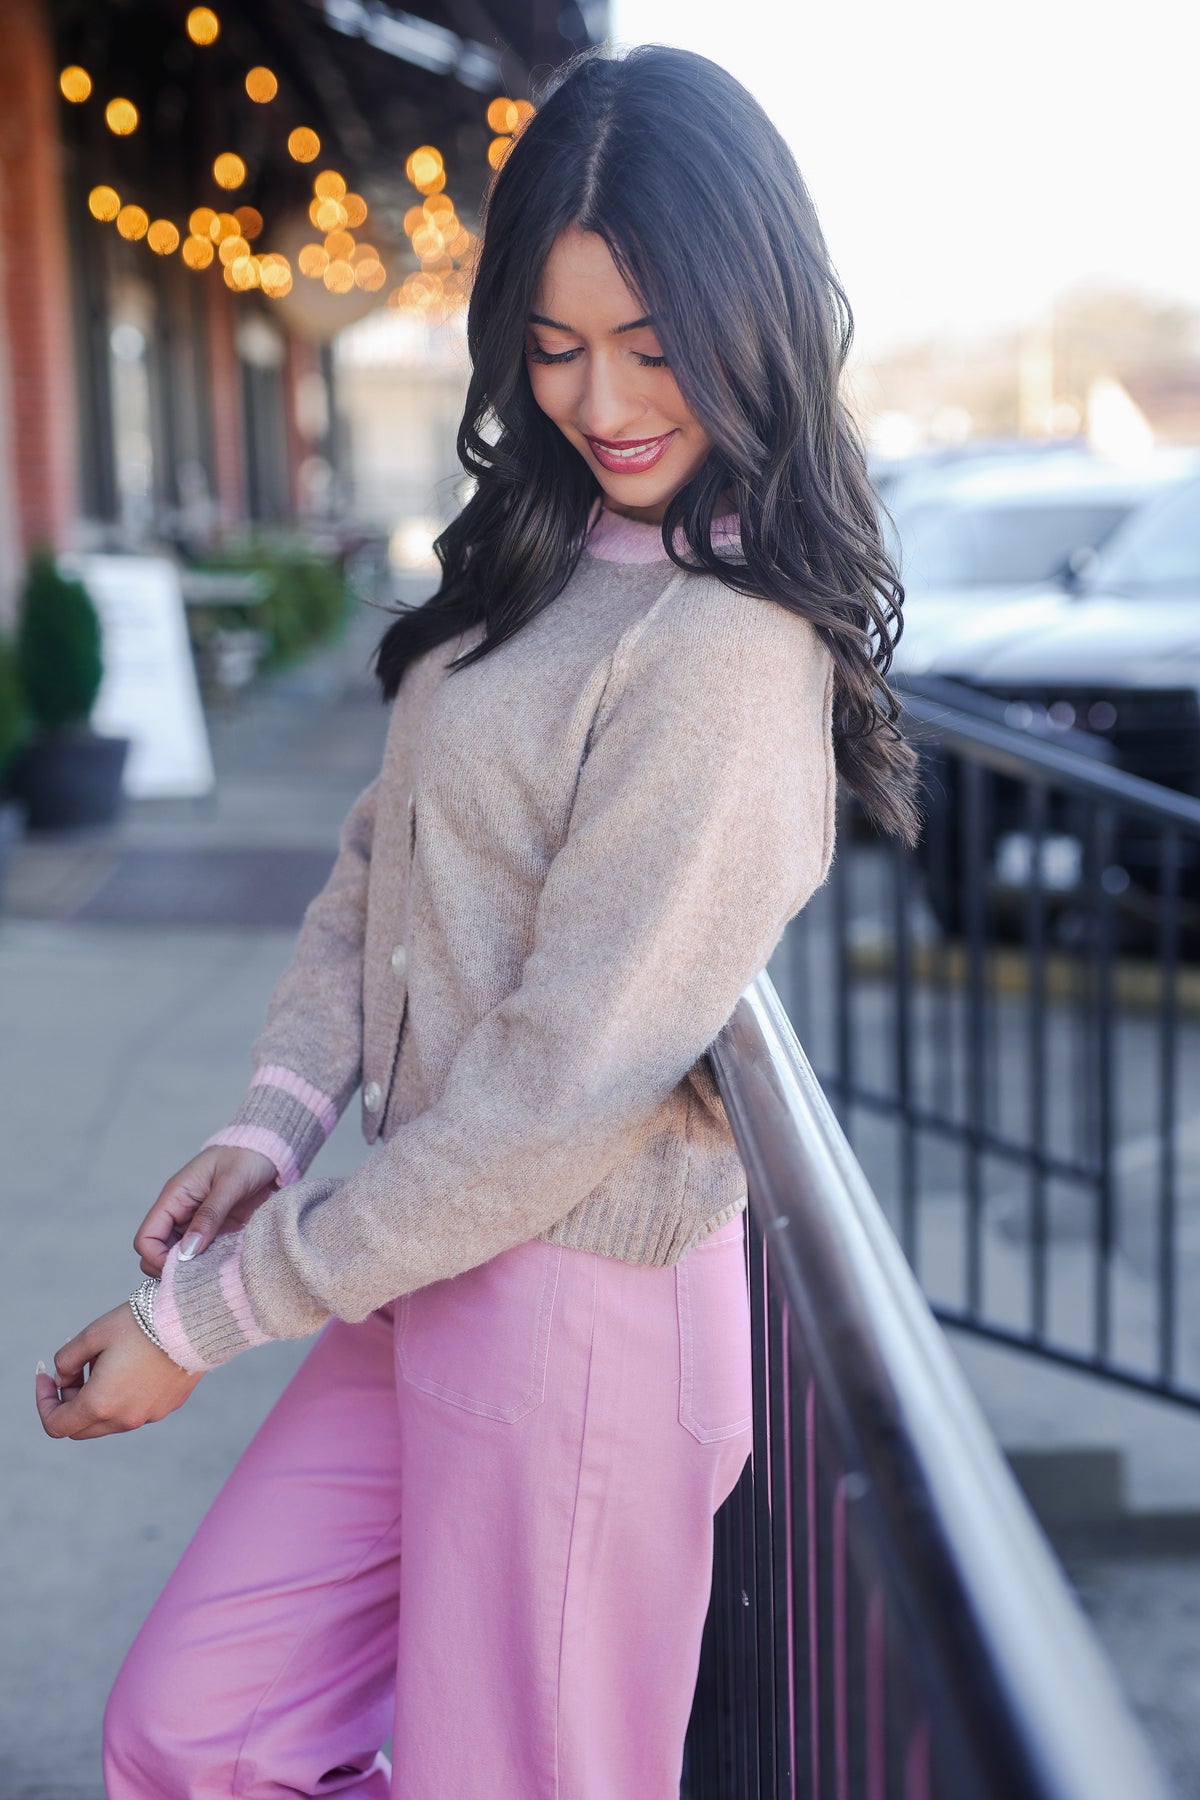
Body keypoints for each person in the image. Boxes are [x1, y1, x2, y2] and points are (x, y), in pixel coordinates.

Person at [34, 41, 919, 1800]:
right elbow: (387, 852)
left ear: (754, 321)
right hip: (416, 1260)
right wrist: (275, 1121)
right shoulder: (543, 556)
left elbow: (560, 1086)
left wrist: (201, 1324)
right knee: (191, 1731)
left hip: (577, 1310)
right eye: (558, 344)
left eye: (656, 348)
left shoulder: (727, 656)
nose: (606, 401)